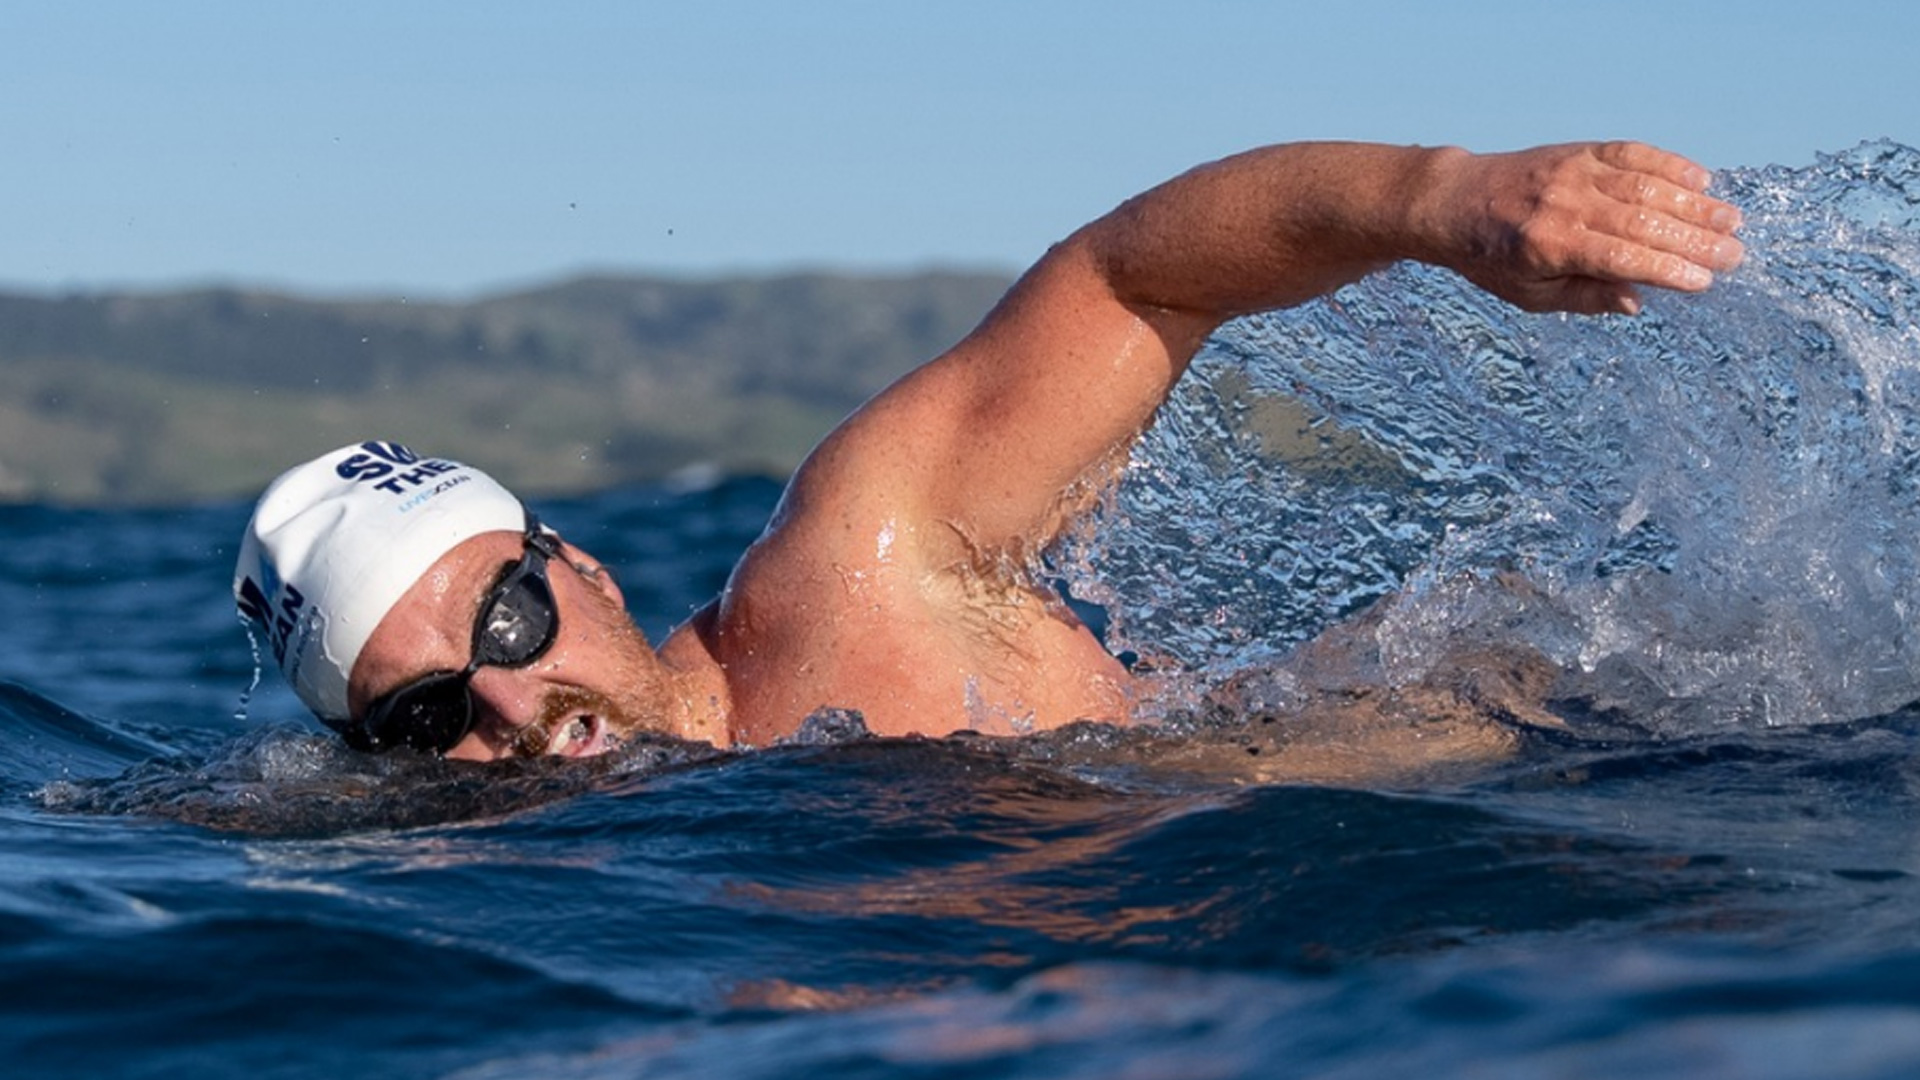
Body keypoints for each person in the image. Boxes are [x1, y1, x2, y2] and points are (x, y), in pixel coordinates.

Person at [235, 139, 1745, 762]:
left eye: (505, 620)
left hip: (1578, 751)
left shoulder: (858, 563)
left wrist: (1442, 199)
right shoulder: (519, 886)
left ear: (579, 567)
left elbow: (1132, 278)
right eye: (427, 713)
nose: (509, 700)